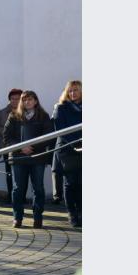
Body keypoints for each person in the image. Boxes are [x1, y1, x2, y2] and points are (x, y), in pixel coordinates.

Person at [3, 90, 54, 229]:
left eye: (30, 99)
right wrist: (21, 147)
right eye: (24, 100)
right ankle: (17, 218)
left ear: (36, 101)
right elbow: (6, 137)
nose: (27, 102)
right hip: (18, 158)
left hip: (37, 158)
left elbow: (48, 136)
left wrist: (32, 147)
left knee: (38, 188)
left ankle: (38, 218)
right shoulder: (14, 116)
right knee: (18, 189)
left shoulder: (43, 116)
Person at [52, 80, 82, 228]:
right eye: (70, 90)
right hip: (67, 150)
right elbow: (61, 130)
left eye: (75, 90)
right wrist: (77, 144)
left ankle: (82, 212)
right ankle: (72, 213)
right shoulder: (61, 108)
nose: (72, 93)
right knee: (70, 182)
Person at [0, 89, 23, 204]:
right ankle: (11, 195)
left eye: (17, 99)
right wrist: (8, 132)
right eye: (13, 99)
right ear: (9, 100)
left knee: (22, 174)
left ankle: (21, 196)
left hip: (23, 147)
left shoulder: (27, 111)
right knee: (9, 173)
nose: (15, 101)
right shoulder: (2, 112)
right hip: (7, 147)